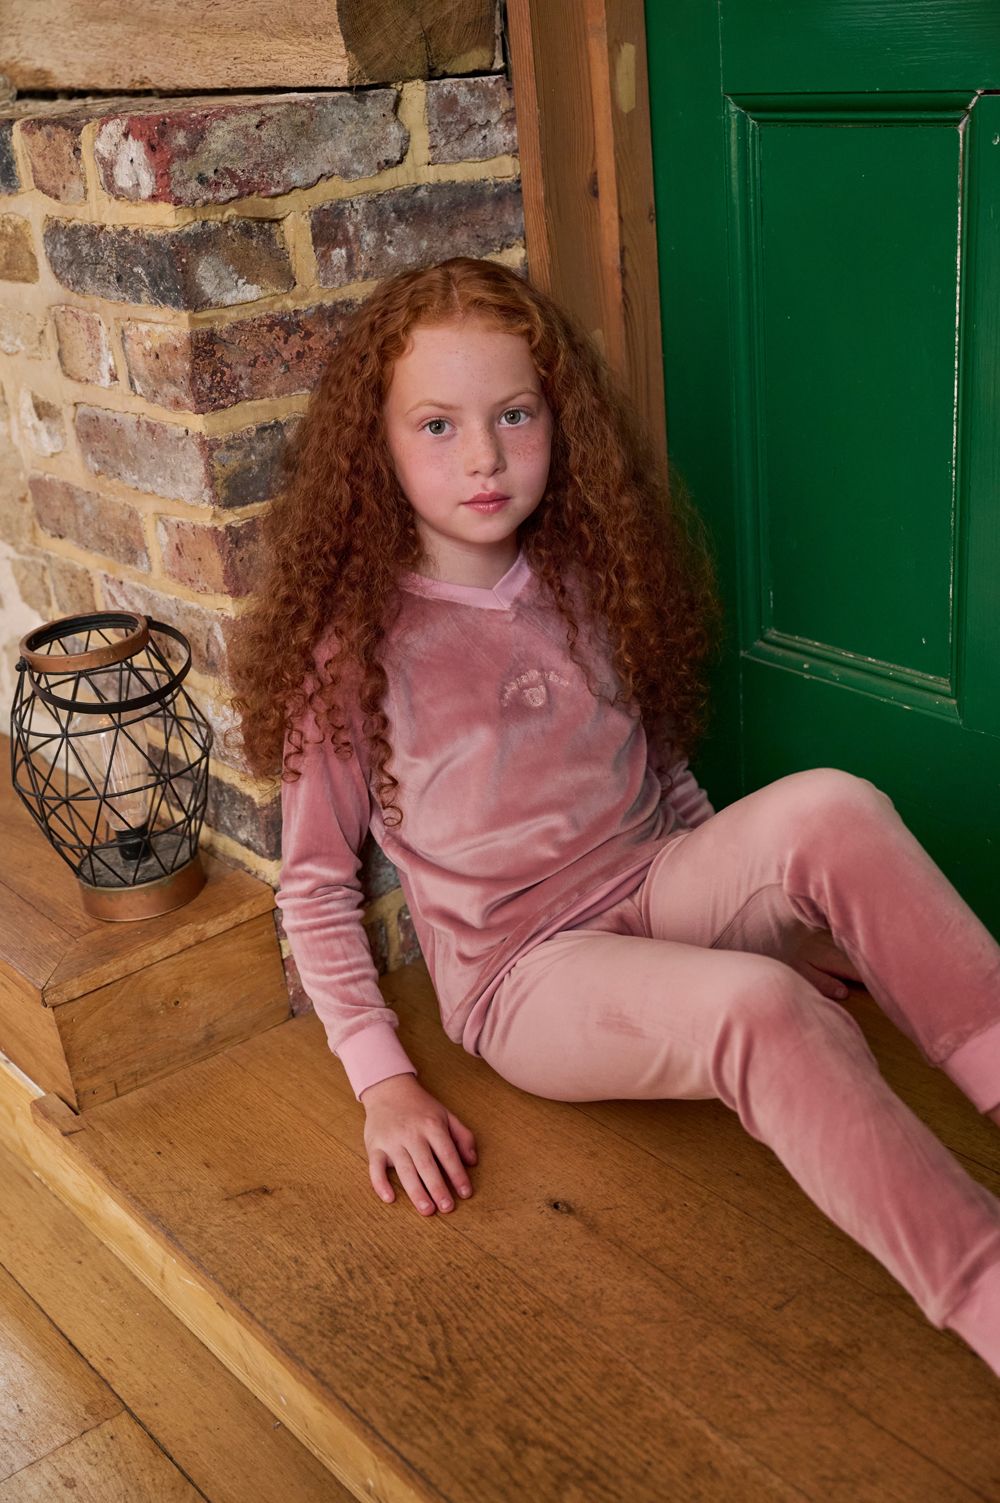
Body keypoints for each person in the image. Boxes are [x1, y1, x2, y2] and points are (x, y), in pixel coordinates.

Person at [227, 255, 1000, 1379]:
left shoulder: (589, 573)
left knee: (835, 806)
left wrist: (764, 906)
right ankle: (981, 1283)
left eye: (514, 415)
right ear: (375, 449)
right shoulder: (349, 650)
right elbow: (311, 885)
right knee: (764, 1011)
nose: (485, 456)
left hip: (656, 879)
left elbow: (661, 776)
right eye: (438, 425)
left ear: (558, 420)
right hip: (527, 973)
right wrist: (382, 1081)